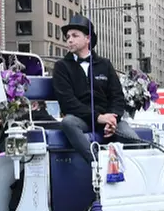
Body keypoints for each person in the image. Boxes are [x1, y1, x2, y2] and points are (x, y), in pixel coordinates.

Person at [52, 13, 137, 161]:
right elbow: (68, 103)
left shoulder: (105, 64)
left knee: (135, 141)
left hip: (108, 119)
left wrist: (113, 118)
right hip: (81, 119)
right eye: (67, 37)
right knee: (68, 123)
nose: (70, 40)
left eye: (74, 35)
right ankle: (97, 163)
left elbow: (117, 96)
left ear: (87, 38)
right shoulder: (61, 67)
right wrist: (98, 118)